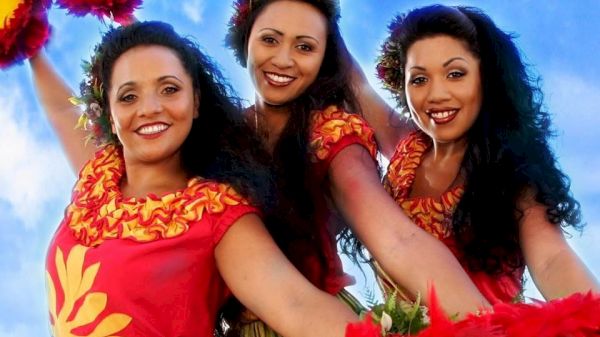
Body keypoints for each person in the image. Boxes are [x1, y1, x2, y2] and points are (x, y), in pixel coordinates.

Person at [34, 21, 360, 337]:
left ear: (195, 103)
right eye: (129, 97)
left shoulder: (215, 214)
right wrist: (25, 38)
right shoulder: (99, 180)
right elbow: (61, 112)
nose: (149, 108)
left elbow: (297, 306)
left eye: (169, 89)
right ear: (109, 113)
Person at [221, 1, 491, 335]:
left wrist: (493, 326)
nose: (283, 59)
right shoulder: (219, 135)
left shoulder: (330, 134)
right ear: (246, 38)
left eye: (305, 47)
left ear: (324, 58)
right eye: (270, 40)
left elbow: (396, 239)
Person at [368, 4, 599, 304]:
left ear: (486, 79)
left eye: (455, 74)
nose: (436, 94)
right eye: (420, 79)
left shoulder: (514, 177)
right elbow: (353, 81)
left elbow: (551, 260)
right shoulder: (407, 147)